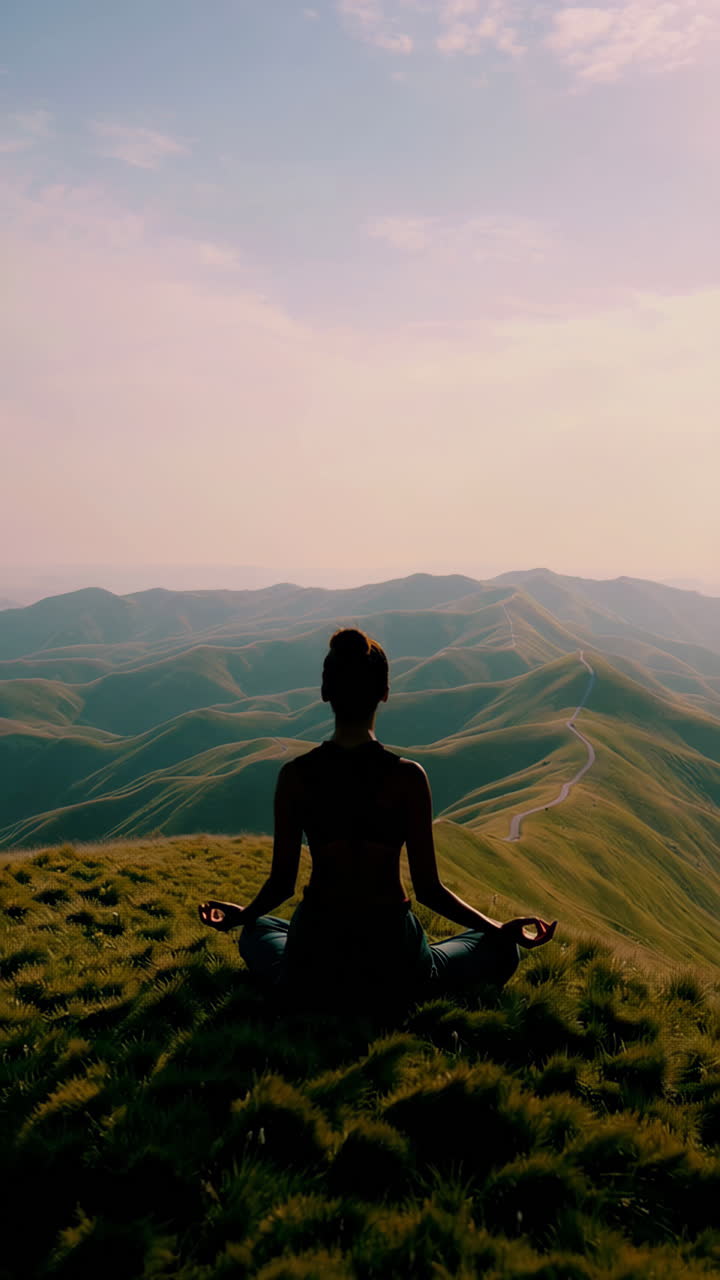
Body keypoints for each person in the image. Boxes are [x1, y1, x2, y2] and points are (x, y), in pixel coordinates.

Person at [199, 628, 556, 1011]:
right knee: (499, 949)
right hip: (392, 954)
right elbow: (429, 890)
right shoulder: (407, 778)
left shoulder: (296, 776)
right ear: (384, 693)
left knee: (258, 929)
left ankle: (306, 984)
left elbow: (282, 885)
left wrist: (242, 915)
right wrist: (501, 929)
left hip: (316, 952)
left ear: (325, 692)